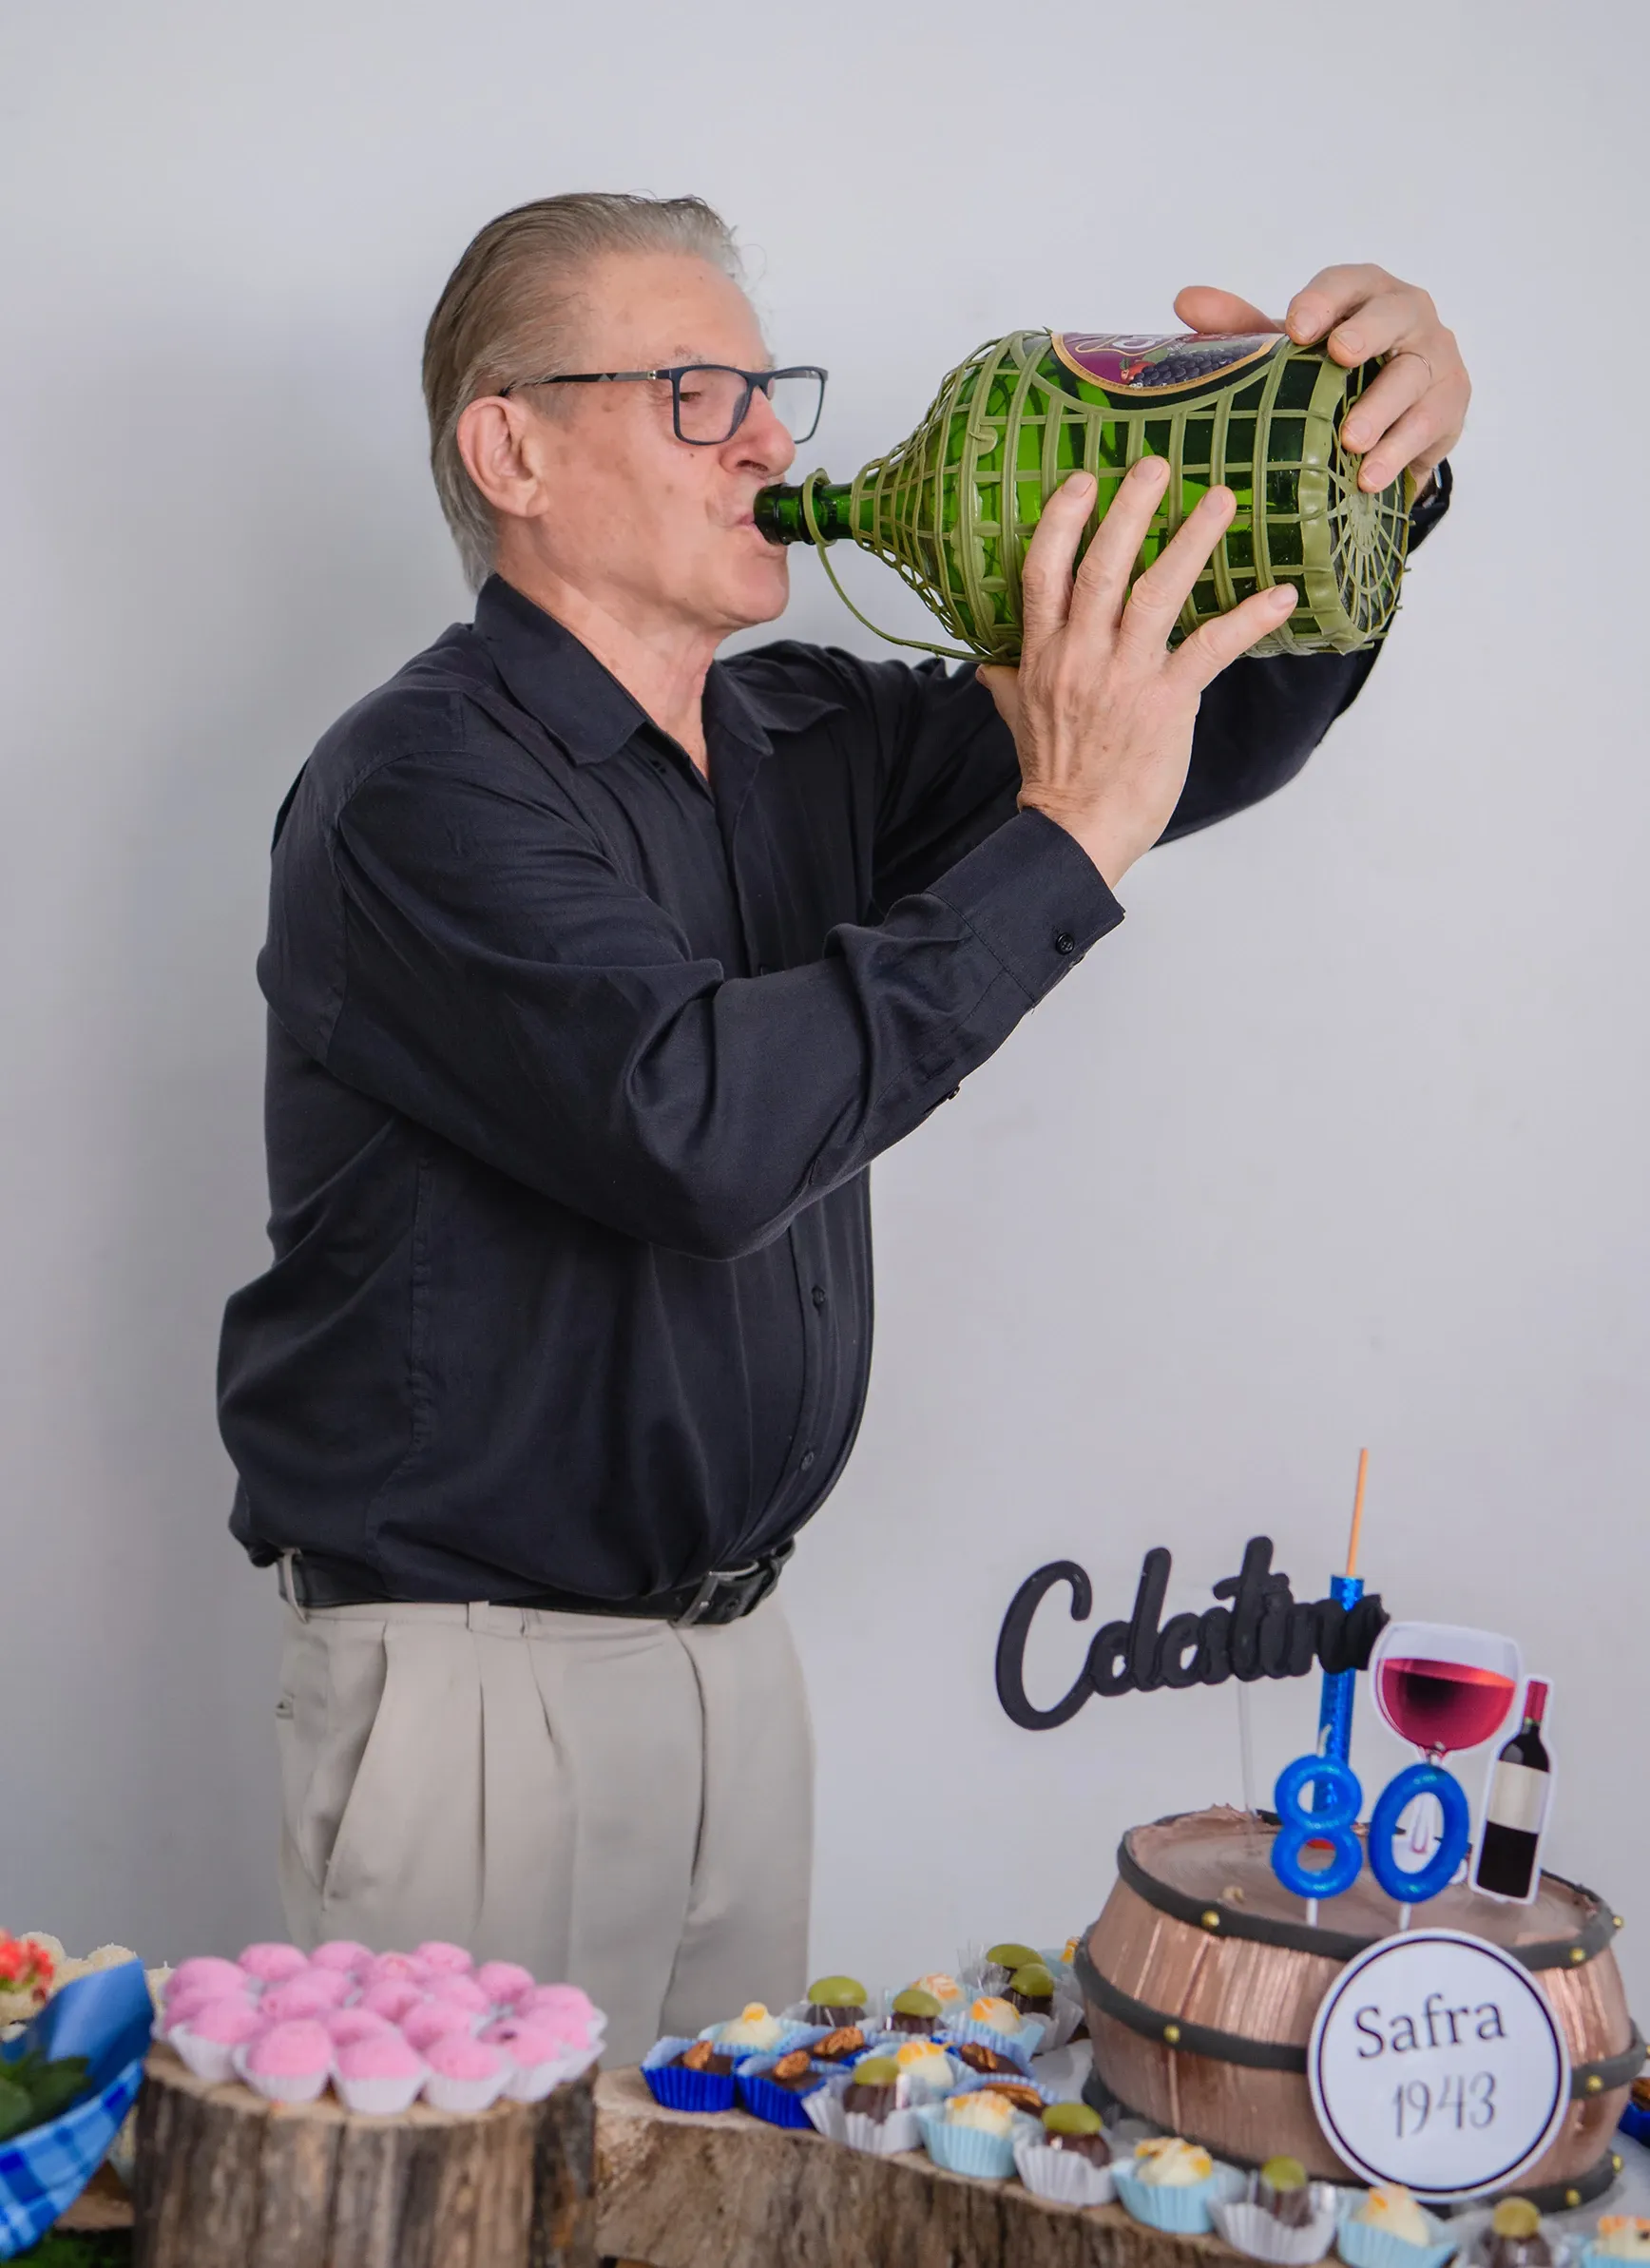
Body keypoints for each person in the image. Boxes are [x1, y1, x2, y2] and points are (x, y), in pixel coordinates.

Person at [218, 193, 1466, 2063]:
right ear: (514, 447)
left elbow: (1189, 726)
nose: (773, 439)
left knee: (717, 2208)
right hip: (477, 1697)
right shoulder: (418, 787)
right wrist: (1062, 837)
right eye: (694, 390)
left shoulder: (808, 736)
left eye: (764, 388)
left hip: (734, 1671)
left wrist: (1365, 459)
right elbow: (701, 1133)